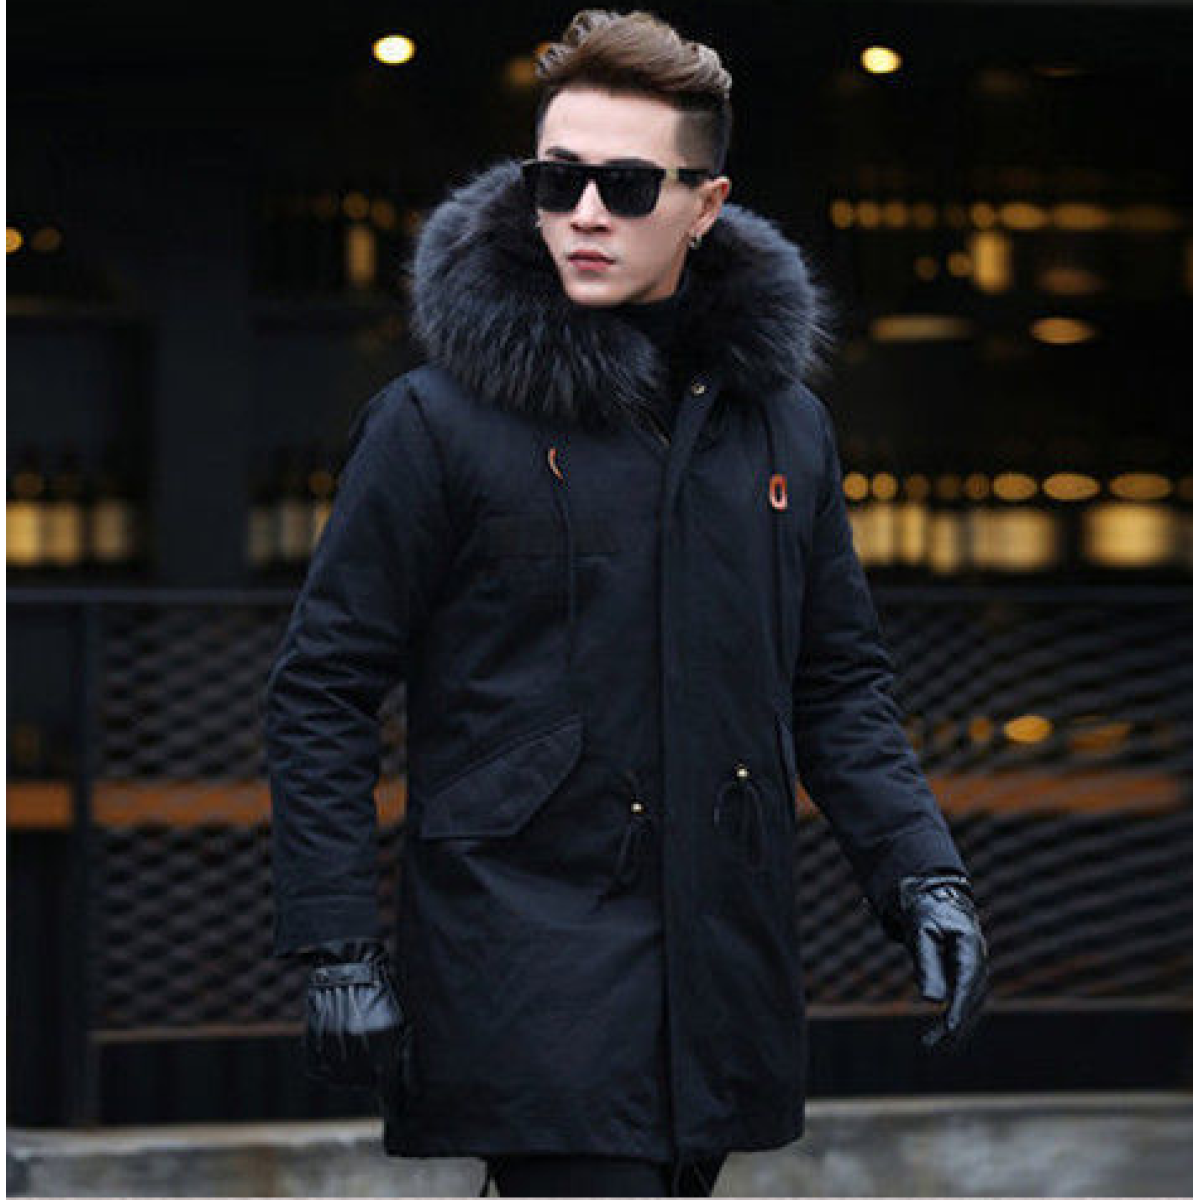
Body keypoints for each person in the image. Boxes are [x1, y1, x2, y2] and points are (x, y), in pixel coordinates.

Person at [264, 9, 989, 1198]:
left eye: (628, 184)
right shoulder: (436, 422)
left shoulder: (782, 427)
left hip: (722, 957)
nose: (586, 213)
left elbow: (837, 683)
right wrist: (336, 944)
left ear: (706, 205)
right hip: (523, 957)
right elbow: (323, 686)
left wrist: (922, 874)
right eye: (557, 180)